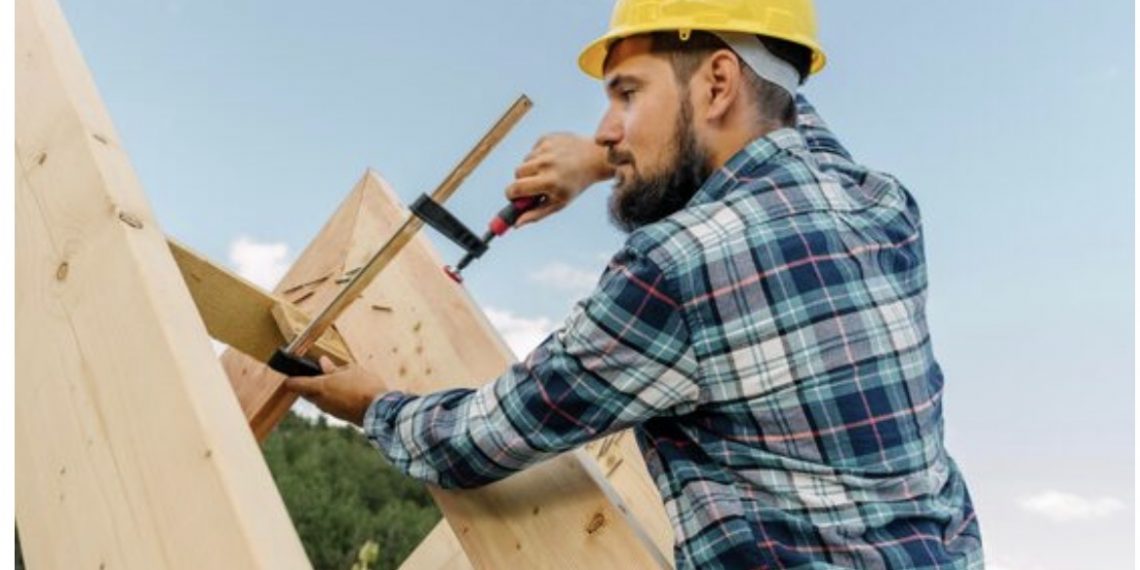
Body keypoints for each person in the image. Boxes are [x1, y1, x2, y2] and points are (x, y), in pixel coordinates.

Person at [285, 1, 984, 567]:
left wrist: (375, 406)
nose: (605, 128)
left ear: (717, 84)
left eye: (627, 93)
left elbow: (481, 439)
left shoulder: (674, 268)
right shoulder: (879, 203)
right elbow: (784, 117)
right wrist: (605, 160)